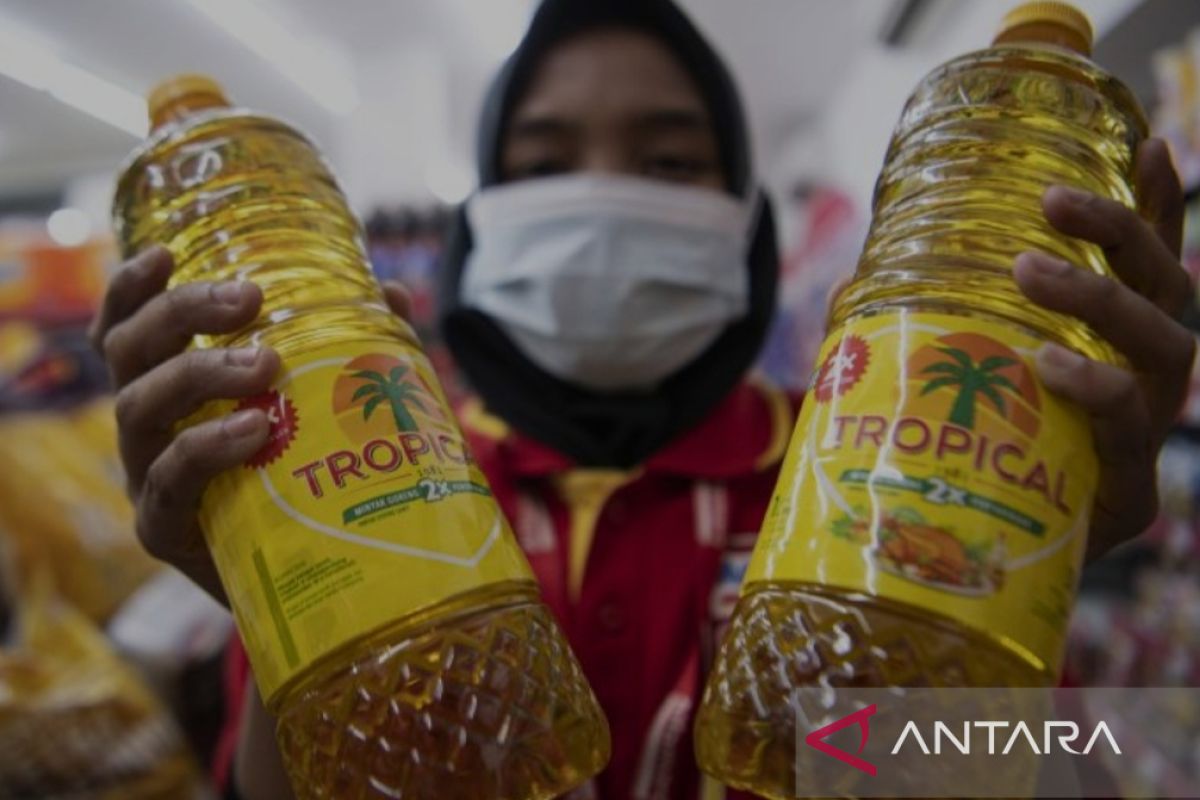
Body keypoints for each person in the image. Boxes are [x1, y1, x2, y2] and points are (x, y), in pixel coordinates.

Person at [89, 0, 1193, 797]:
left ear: (745, 224)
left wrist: (1010, 589)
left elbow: (988, 781)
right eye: (544, 161)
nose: (605, 196)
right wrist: (278, 604)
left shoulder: (880, 470)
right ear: (479, 221)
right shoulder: (346, 497)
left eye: (668, 163)